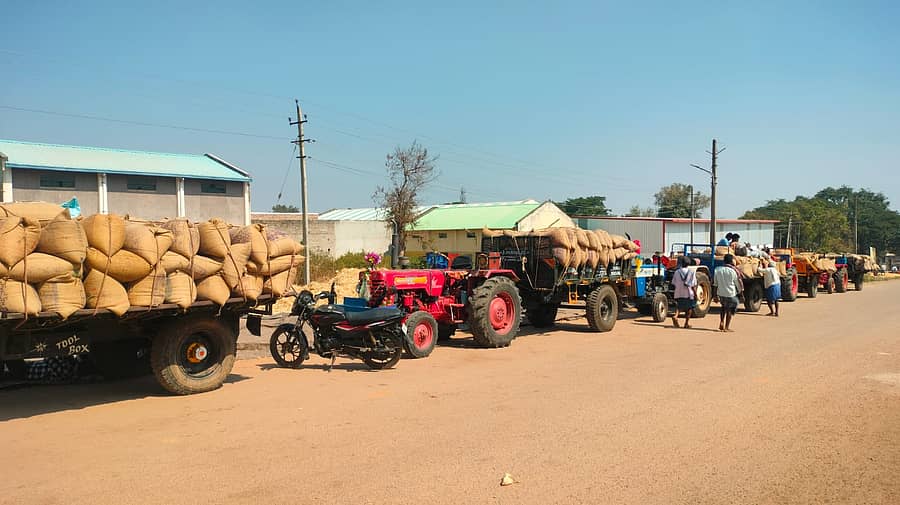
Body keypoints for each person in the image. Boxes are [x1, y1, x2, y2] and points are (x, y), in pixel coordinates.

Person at [713, 254, 743, 332]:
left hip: (721, 293)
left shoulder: (717, 270)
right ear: (731, 261)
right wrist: (741, 294)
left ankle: (721, 321)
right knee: (730, 309)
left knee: (723, 307)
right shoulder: (733, 271)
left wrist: (715, 295)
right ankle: (726, 327)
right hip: (731, 293)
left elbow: (715, 284)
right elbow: (738, 284)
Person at [671, 256, 698, 328]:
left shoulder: (677, 272)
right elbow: (693, 285)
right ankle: (686, 323)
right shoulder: (691, 272)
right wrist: (695, 294)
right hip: (688, 293)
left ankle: (675, 315)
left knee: (679, 306)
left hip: (678, 292)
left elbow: (673, 283)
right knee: (689, 308)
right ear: (688, 264)